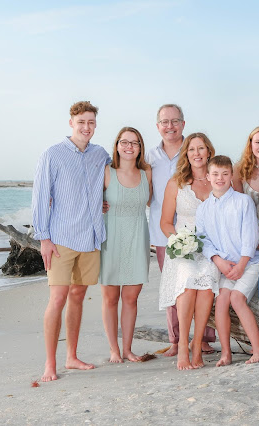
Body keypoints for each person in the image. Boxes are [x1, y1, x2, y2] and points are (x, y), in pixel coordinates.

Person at [32, 101, 111, 382]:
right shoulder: (52, 155)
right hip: (61, 238)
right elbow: (40, 197)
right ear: (71, 123)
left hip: (90, 238)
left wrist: (104, 202)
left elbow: (116, 180)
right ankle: (50, 363)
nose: (86, 127)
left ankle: (72, 357)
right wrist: (43, 238)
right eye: (81, 122)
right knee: (58, 298)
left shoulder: (101, 154)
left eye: (91, 122)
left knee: (78, 295)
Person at [146, 104, 216, 357]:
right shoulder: (150, 158)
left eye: (175, 121)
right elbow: (141, 187)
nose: (170, 126)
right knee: (181, 284)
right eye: (164, 122)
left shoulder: (213, 172)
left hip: (211, 243)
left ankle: (204, 339)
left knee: (204, 284)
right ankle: (178, 342)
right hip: (172, 237)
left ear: (182, 124)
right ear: (158, 126)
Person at [196, 155, 259, 367]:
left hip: (249, 263)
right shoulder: (203, 209)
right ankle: (226, 353)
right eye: (215, 174)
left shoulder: (243, 202)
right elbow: (203, 240)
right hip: (226, 266)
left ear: (231, 176)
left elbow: (251, 236)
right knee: (222, 302)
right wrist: (218, 261)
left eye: (225, 174)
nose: (220, 178)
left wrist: (243, 264)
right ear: (207, 177)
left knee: (236, 299)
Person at [158, 133, 220, 370]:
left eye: (201, 148)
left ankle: (198, 343)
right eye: (192, 149)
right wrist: (178, 242)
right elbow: (165, 222)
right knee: (186, 280)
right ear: (186, 154)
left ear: (208, 151)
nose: (197, 153)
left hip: (212, 248)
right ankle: (183, 344)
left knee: (205, 285)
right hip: (183, 247)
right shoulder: (176, 183)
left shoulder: (219, 179)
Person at [99, 127, 152, 363]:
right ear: (117, 145)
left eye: (135, 142)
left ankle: (128, 349)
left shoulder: (147, 172)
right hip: (111, 239)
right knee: (110, 299)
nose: (129, 146)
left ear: (140, 147)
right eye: (124, 142)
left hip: (138, 237)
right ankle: (114, 350)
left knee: (131, 298)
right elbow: (88, 199)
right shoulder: (106, 172)